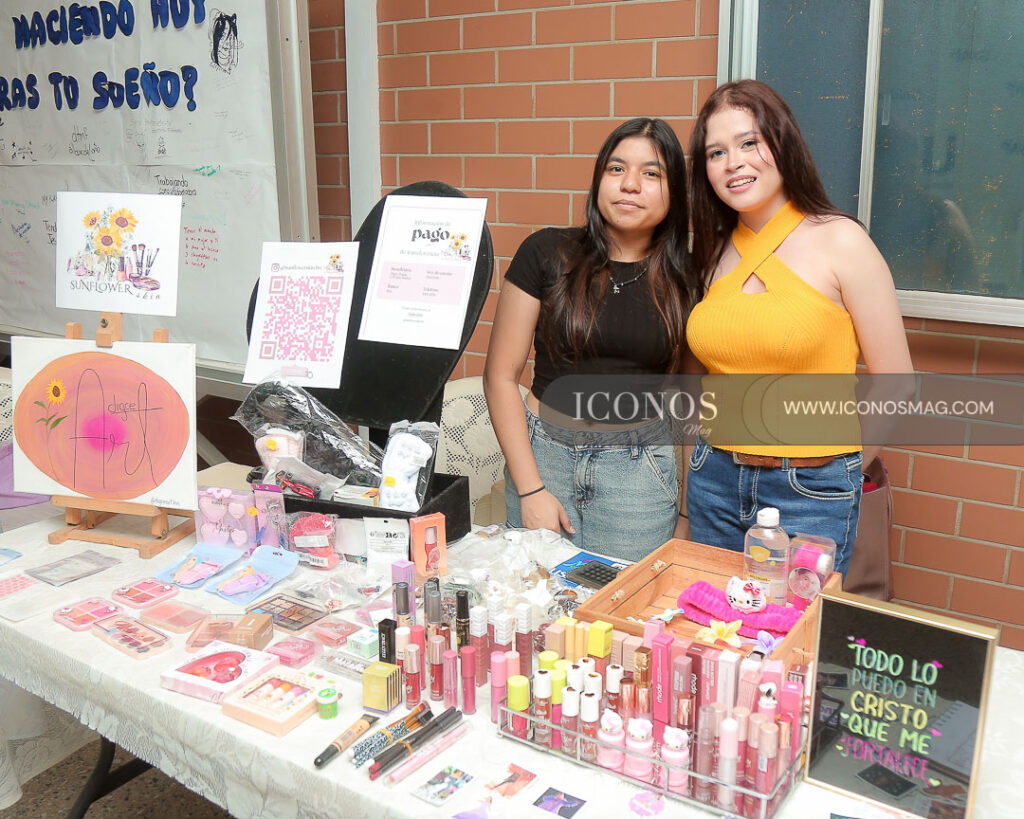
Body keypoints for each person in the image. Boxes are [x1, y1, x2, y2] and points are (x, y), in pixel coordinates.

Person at [684, 80, 914, 577]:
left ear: (782, 143)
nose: (733, 162)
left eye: (749, 142)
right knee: (712, 636)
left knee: (790, 644)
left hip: (811, 490)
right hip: (713, 478)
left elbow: (898, 382)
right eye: (716, 152)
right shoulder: (712, 253)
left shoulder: (842, 241)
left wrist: (841, 472)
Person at [484, 118, 699, 561]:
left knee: (624, 618)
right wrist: (531, 489)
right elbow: (500, 377)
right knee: (533, 610)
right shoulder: (546, 253)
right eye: (616, 169)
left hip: (638, 478)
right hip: (545, 459)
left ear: (674, 190)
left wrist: (685, 511)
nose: (630, 185)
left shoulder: (687, 279)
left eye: (651, 173)